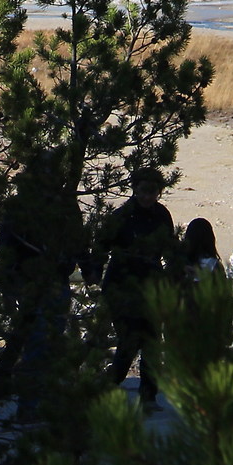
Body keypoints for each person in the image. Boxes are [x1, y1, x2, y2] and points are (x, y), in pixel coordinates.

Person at [99, 173, 176, 407]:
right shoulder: (122, 216)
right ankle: (111, 383)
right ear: (134, 189)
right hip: (122, 285)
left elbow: (170, 248)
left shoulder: (162, 215)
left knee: (152, 340)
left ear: (158, 192)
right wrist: (92, 270)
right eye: (142, 190)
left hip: (151, 284)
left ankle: (148, 394)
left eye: (152, 192)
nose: (146, 196)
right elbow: (101, 245)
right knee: (129, 339)